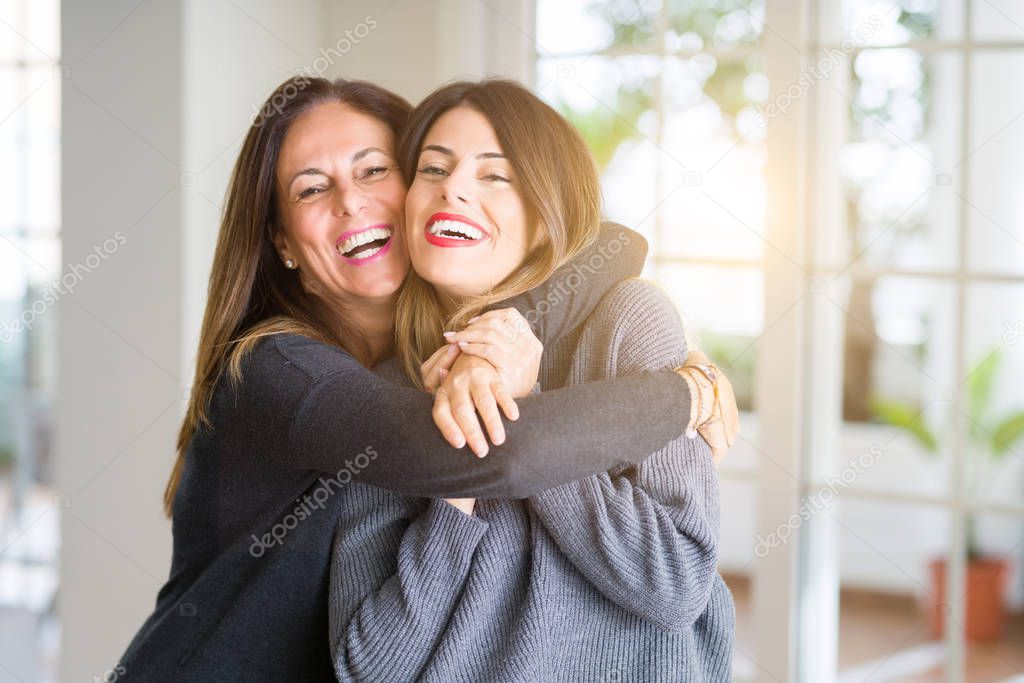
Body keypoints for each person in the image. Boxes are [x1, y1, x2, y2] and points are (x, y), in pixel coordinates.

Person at [116, 76, 734, 682]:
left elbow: (677, 586)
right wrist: (688, 394)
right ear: (283, 242)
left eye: (374, 170)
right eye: (311, 189)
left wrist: (500, 356)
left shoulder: (617, 321)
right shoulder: (291, 373)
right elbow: (473, 455)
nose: (352, 202)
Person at [329, 79, 737, 682]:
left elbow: (675, 586)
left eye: (494, 175)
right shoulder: (384, 391)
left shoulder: (629, 321)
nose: (453, 187)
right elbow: (367, 668)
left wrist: (525, 406)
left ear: (549, 217)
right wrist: (455, 468)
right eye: (433, 168)